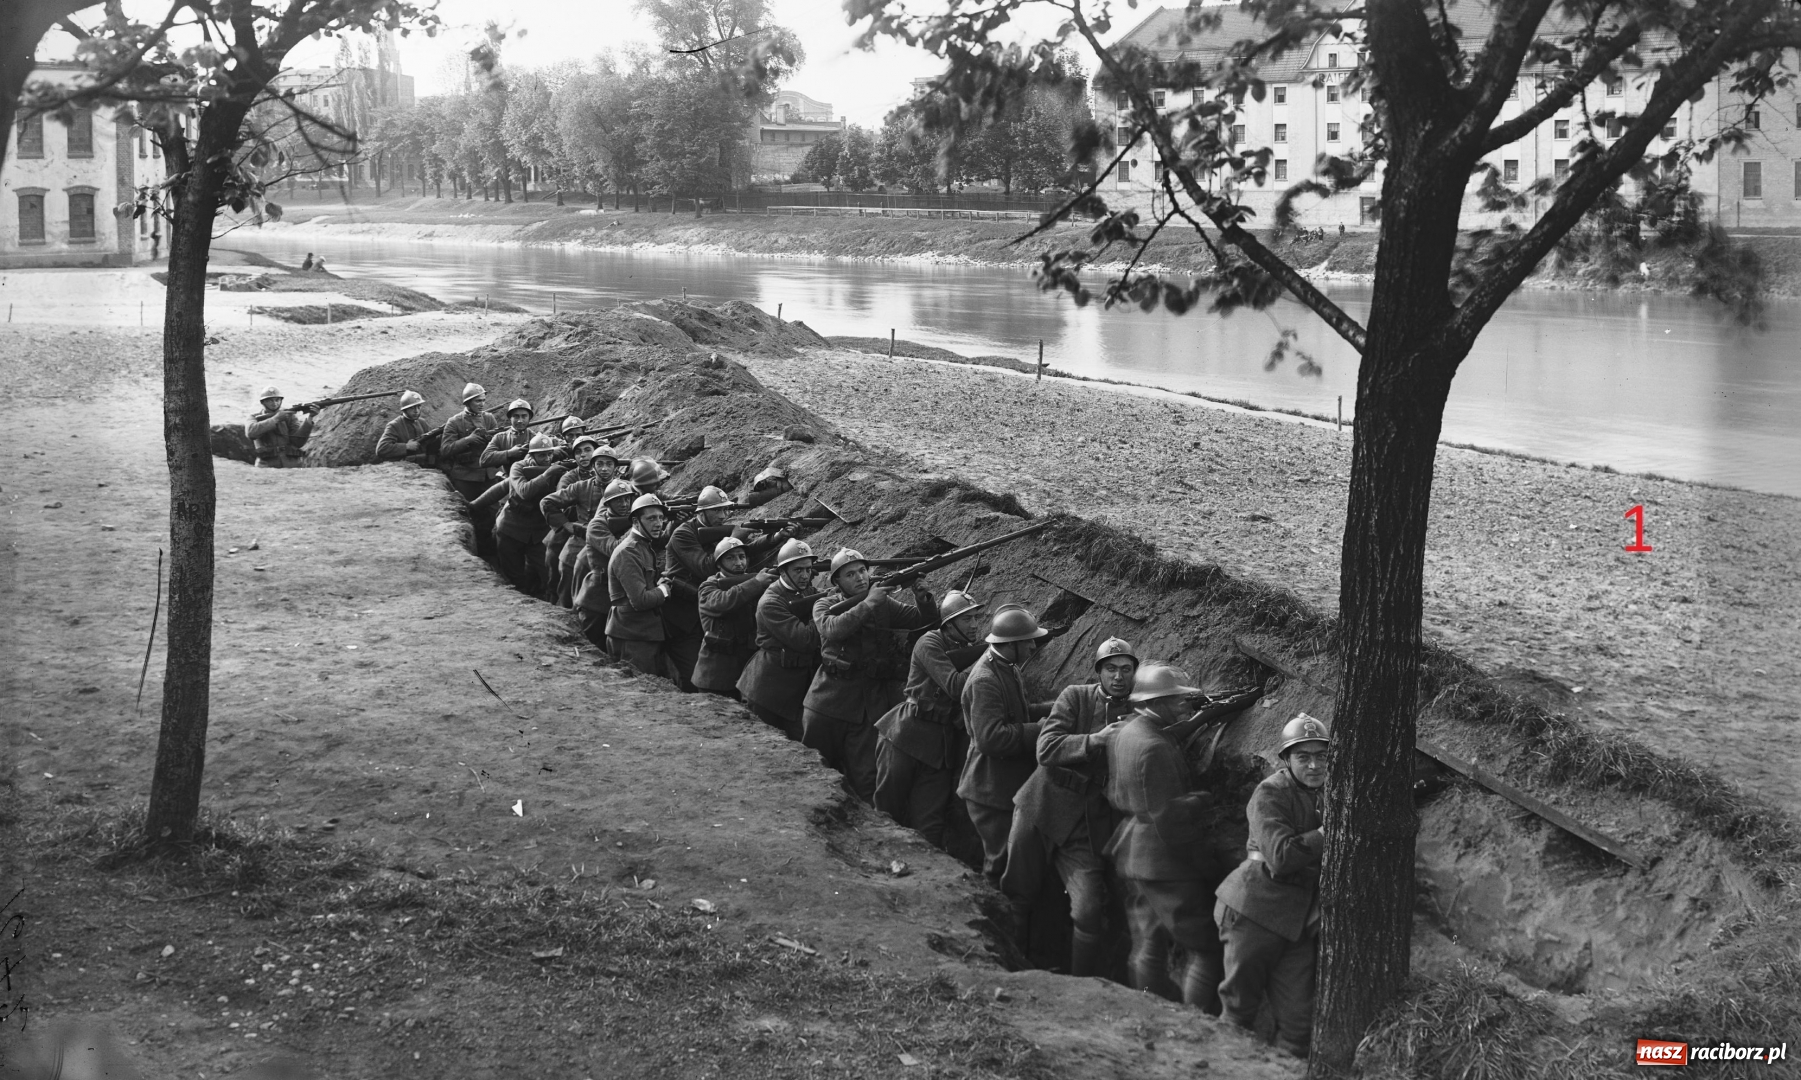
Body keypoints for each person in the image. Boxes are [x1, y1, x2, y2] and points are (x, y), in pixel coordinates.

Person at [1005, 637, 1139, 977]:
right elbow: (1046, 749)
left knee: (1089, 910)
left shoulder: (1139, 715)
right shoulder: (1075, 696)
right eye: (1111, 669)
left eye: (1126, 669)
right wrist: (1094, 740)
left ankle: (1080, 985)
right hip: (1041, 806)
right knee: (1017, 893)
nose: (1119, 677)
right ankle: (1012, 966)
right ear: (1098, 672)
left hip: (1087, 825)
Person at [1104, 663, 1229, 1011]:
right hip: (1164, 861)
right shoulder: (1154, 746)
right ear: (1155, 703)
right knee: (1205, 947)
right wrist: (1197, 805)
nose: (1184, 705)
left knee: (1148, 940)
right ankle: (1193, 1022)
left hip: (1134, 851)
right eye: (1175, 700)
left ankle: (1149, 1010)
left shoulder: (1128, 732)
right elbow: (1169, 820)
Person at [1214, 713, 1330, 1058]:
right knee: (1237, 1011)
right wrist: (1328, 834)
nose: (1313, 765)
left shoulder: (1329, 792)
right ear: (1286, 760)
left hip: (1296, 925)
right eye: (1303, 757)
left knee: (1298, 1026)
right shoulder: (1270, 793)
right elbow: (1280, 856)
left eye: (1321, 756)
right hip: (1253, 912)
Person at [803, 549, 936, 802]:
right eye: (850, 574)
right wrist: (869, 602)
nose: (860, 578)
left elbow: (922, 622)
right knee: (813, 770)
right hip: (827, 701)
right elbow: (832, 629)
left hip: (867, 706)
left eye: (863, 571)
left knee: (866, 779)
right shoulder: (825, 603)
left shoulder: (881, 601)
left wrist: (923, 598)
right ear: (837, 582)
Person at [872, 590, 988, 849]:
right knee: (886, 810)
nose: (974, 625)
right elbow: (956, 686)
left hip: (939, 747)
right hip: (905, 734)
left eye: (975, 619)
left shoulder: (966, 650)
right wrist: (989, 656)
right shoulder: (929, 642)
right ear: (950, 622)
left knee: (930, 826)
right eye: (966, 619)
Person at [957, 605, 1053, 885]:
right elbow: (991, 738)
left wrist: (1056, 707)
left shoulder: (1006, 667)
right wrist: (1040, 729)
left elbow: (1019, 712)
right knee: (1000, 862)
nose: (1033, 645)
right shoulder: (985, 680)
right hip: (989, 788)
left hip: (1002, 785)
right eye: (1028, 641)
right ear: (1010, 645)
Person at [736, 539, 822, 740]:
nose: (804, 575)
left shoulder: (807, 591)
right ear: (783, 572)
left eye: (808, 570)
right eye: (798, 570)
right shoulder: (771, 602)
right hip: (767, 690)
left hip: (795, 687)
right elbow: (806, 640)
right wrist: (822, 611)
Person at [693, 536, 777, 696]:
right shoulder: (708, 586)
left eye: (742, 557)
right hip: (715, 675)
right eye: (730, 558)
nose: (738, 562)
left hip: (747, 671)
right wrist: (756, 583)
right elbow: (722, 602)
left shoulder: (755, 583)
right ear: (718, 564)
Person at [605, 493, 676, 678]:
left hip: (643, 633)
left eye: (661, 518)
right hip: (631, 636)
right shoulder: (628, 552)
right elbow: (640, 600)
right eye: (651, 518)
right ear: (636, 522)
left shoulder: (642, 545)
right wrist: (664, 590)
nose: (659, 523)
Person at [492, 434, 572, 595]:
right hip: (511, 529)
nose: (547, 458)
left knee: (547, 574)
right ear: (531, 455)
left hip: (539, 532)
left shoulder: (556, 466)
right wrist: (547, 474)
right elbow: (523, 492)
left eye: (549, 454)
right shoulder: (519, 467)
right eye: (542, 455)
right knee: (514, 579)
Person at [568, 477, 637, 647]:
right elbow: (615, 549)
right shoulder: (597, 525)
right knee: (589, 646)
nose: (624, 504)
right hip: (597, 596)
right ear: (607, 504)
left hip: (621, 596)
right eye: (618, 500)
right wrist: (636, 527)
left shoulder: (630, 520)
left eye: (627, 498)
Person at [438, 382, 501, 558]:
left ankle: (492, 554)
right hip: (465, 477)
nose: (481, 404)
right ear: (467, 402)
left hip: (487, 475)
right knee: (469, 516)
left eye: (483, 400)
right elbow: (445, 450)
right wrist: (469, 439)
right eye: (477, 401)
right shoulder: (455, 422)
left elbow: (495, 445)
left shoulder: (489, 419)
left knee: (493, 515)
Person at [245, 386, 316, 468]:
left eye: (277, 400)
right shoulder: (254, 417)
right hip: (266, 465)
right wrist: (276, 419)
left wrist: (310, 417)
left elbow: (298, 442)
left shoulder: (289, 416)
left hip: (291, 464)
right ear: (263, 402)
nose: (274, 403)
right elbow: (251, 433)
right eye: (270, 400)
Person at [375, 389, 433, 466]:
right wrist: (406, 446)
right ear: (404, 409)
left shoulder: (422, 423)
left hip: (423, 465)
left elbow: (433, 442)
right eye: (412, 408)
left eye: (418, 407)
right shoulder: (394, 425)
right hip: (403, 468)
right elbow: (381, 449)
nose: (416, 411)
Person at [480, 399, 537, 473]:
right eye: (516, 416)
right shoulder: (500, 437)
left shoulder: (535, 438)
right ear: (510, 418)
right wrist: (509, 453)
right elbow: (484, 460)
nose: (520, 420)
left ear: (529, 417)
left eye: (524, 416)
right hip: (507, 481)